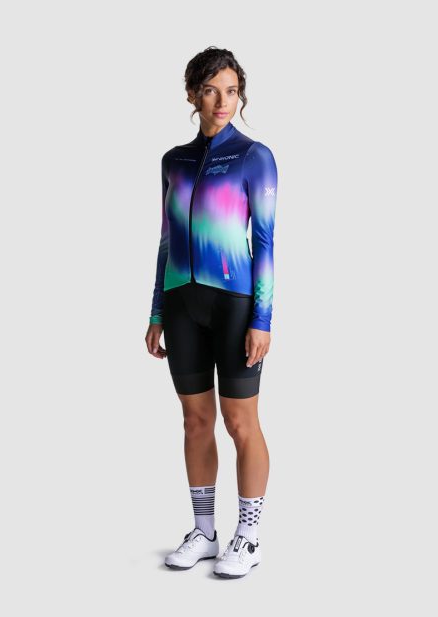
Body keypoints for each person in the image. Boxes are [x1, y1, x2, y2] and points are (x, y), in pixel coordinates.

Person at [144, 47, 278, 579]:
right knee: (195, 420)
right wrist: (156, 310)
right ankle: (205, 531)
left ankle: (249, 535)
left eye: (231, 91)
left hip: (234, 305)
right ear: (192, 95)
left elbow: (264, 242)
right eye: (210, 90)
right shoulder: (173, 161)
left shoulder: (254, 157)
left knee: (240, 421)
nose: (223, 102)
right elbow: (165, 239)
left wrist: (262, 318)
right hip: (182, 304)